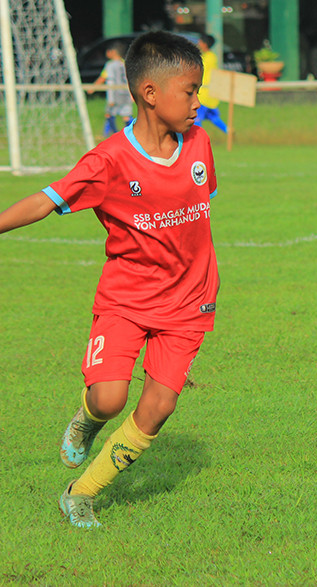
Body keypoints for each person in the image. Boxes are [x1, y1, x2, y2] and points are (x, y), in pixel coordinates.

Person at [0, 31, 220, 529]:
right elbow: (45, 199)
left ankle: (81, 492)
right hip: (126, 299)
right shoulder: (108, 162)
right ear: (150, 93)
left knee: (159, 406)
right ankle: (86, 422)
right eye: (189, 91)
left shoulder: (201, 143)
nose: (197, 102)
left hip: (190, 302)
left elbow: (200, 204)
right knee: (109, 398)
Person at [89, 41, 133, 135]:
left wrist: (92, 88)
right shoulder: (124, 63)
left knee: (109, 114)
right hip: (125, 93)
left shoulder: (110, 65)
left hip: (114, 93)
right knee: (126, 115)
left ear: (113, 52)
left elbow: (103, 78)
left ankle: (111, 133)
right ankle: (132, 133)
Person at [194, 33, 229, 134]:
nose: (198, 43)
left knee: (196, 116)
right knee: (213, 117)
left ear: (205, 44)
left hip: (204, 94)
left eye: (200, 41)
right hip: (210, 95)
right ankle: (228, 131)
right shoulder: (212, 57)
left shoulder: (207, 58)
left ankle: (197, 137)